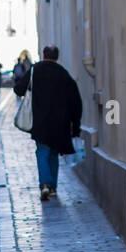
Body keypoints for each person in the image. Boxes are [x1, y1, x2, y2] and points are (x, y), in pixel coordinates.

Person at [13, 45, 81, 201]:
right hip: (60, 124)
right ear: (56, 57)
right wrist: (75, 127)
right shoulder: (63, 74)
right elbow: (76, 101)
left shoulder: (35, 70)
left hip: (40, 122)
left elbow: (18, 89)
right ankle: (52, 189)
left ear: (43, 55)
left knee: (42, 152)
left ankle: (44, 184)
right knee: (53, 154)